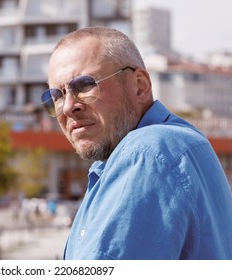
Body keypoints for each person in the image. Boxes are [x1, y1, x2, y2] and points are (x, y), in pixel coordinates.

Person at [41, 26, 232, 259]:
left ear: (139, 86)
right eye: (56, 97)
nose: (69, 107)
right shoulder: (182, 144)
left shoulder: (148, 152)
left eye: (84, 86)